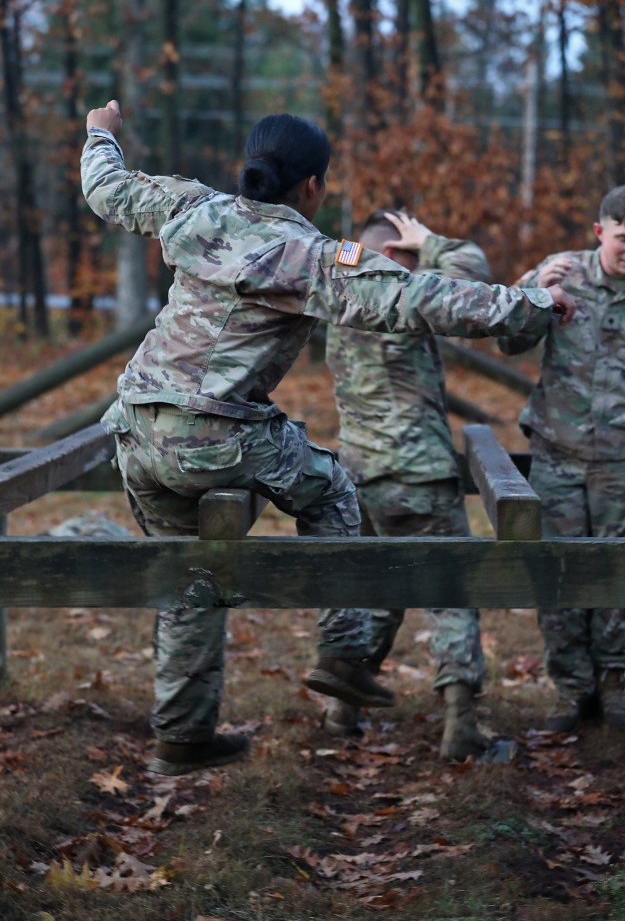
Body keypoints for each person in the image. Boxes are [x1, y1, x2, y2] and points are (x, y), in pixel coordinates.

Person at [81, 99, 574, 776]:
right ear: (313, 186)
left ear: (248, 166)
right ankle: (343, 652)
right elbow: (419, 300)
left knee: (188, 576)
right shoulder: (311, 256)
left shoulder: (190, 207)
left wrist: (98, 132)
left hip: (136, 430)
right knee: (335, 490)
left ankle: (182, 737)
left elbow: (107, 189)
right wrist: (536, 303)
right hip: (218, 433)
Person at [319, 210, 494, 760]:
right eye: (412, 256)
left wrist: (379, 246)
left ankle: (342, 706)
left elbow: (344, 251)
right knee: (451, 593)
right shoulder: (399, 290)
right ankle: (461, 724)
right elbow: (474, 276)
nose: (421, 265)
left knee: (379, 591)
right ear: (394, 257)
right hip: (416, 469)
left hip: (359, 473)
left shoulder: (340, 287)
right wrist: (432, 240)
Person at [498, 185, 625, 732]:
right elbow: (506, 340)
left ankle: (614, 688)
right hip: (557, 453)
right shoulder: (561, 273)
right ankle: (571, 692)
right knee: (557, 572)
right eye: (624, 238)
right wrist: (533, 294)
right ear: (601, 231)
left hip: (623, 464)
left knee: (619, 576)